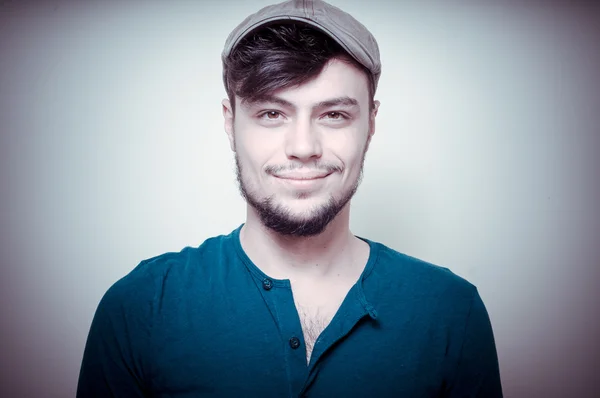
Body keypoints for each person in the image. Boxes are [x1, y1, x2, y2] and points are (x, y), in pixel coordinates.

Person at [77, 0, 503, 396]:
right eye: (271, 113)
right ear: (231, 121)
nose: (303, 146)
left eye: (334, 114)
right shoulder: (142, 307)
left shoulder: (451, 312)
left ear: (371, 123)